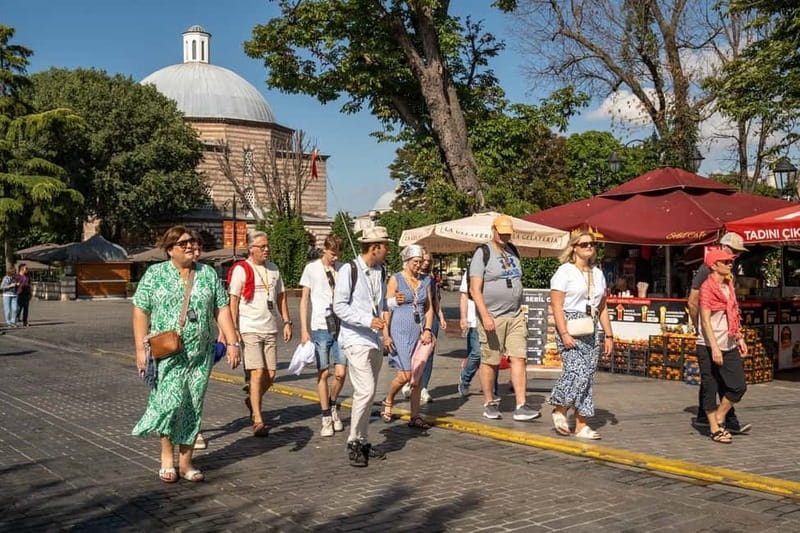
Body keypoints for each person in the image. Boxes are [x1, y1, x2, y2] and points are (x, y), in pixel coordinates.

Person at [132, 226, 241, 483]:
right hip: (168, 352)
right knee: (169, 403)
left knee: (192, 404)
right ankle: (166, 457)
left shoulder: (208, 274)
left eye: (194, 242)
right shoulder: (155, 274)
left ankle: (186, 461)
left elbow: (221, 309)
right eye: (185, 244)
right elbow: (140, 310)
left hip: (199, 354)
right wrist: (139, 348)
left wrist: (233, 343)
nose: (192, 247)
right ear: (170, 249)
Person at [470, 215, 540, 422]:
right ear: (493, 230)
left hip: (515, 314)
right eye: (501, 233)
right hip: (492, 316)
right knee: (491, 360)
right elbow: (475, 289)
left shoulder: (513, 250)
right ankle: (489, 402)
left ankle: (521, 404)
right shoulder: (482, 252)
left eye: (508, 233)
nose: (505, 237)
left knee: (519, 357)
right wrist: (485, 316)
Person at [332, 226, 390, 467]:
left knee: (369, 393)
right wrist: (367, 320)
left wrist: (390, 310)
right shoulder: (349, 269)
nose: (388, 250)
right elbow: (339, 306)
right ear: (374, 247)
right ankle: (354, 441)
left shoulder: (381, 271)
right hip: (355, 338)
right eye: (385, 245)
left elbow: (382, 303)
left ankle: (363, 439)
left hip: (375, 338)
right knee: (365, 391)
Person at [548, 231, 614, 440]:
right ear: (574, 247)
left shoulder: (597, 273)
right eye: (584, 244)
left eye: (592, 244)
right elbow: (557, 306)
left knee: (588, 377)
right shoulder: (564, 271)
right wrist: (564, 332)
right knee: (576, 371)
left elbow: (602, 306)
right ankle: (559, 408)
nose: (589, 247)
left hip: (591, 326)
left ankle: (581, 424)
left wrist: (609, 335)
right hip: (570, 324)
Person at [228, 231, 292, 437]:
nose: (266, 249)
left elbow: (281, 296)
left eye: (267, 246)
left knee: (270, 375)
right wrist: (234, 329)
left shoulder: (273, 269)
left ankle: (252, 400)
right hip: (249, 328)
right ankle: (258, 418)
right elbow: (234, 301)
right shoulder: (242, 269)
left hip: (270, 327)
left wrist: (287, 322)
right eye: (262, 246)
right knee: (256, 373)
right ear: (251, 249)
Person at [687, 232, 751, 434]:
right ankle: (718, 421)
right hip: (710, 335)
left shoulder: (728, 273)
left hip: (726, 337)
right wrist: (700, 328)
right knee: (712, 381)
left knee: (721, 381)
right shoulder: (707, 270)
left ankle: (718, 418)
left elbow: (732, 307)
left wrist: (738, 335)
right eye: (733, 251)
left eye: (738, 253)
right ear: (723, 247)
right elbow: (693, 301)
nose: (735, 257)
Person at [382, 245, 435, 430]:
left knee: (418, 376)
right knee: (405, 374)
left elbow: (428, 307)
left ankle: (415, 415)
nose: (418, 266)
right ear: (406, 262)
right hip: (400, 330)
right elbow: (386, 307)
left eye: (420, 262)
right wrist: (386, 334)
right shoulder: (396, 279)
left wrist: (428, 329)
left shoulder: (426, 280)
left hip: (419, 331)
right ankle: (388, 399)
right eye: (415, 262)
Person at [299, 235, 347, 437]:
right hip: (320, 325)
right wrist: (303, 329)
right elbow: (304, 300)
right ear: (325, 250)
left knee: (341, 372)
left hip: (341, 325)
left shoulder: (343, 269)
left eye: (338, 254)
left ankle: (333, 403)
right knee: (323, 372)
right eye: (332, 253)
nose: (335, 258)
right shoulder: (312, 269)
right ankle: (325, 415)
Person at [458, 271, 480, 397]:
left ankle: (493, 390)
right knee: (476, 352)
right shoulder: (470, 271)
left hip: (495, 319)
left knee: (492, 355)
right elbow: (464, 296)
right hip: (474, 320)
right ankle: (465, 378)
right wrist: (463, 317)